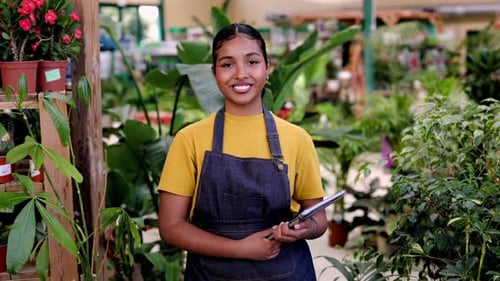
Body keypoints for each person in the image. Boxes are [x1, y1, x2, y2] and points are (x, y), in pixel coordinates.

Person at [158, 23, 327, 281]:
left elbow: (319, 220)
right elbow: (171, 227)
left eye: (252, 62)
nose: (241, 74)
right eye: (227, 65)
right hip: (211, 274)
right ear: (214, 73)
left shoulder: (297, 139)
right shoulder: (189, 139)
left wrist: (304, 228)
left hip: (286, 272)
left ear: (267, 68)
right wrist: (240, 249)